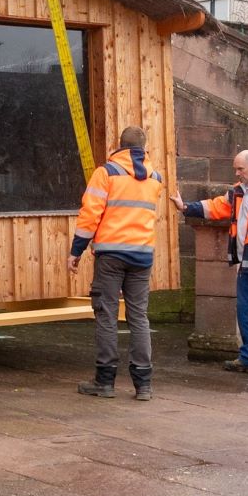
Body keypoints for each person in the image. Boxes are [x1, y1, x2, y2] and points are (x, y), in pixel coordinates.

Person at [171, 149, 248, 380]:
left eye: (240, 169)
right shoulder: (240, 191)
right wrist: (186, 207)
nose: (237, 174)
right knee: (246, 312)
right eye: (236, 169)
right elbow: (217, 206)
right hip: (247, 263)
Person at [70, 126, 165, 402]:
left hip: (111, 255)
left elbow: (90, 215)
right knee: (139, 317)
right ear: (144, 149)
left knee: (107, 314)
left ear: (120, 146)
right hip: (142, 255)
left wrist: (76, 251)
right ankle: (143, 384)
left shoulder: (107, 173)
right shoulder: (155, 178)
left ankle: (105, 381)